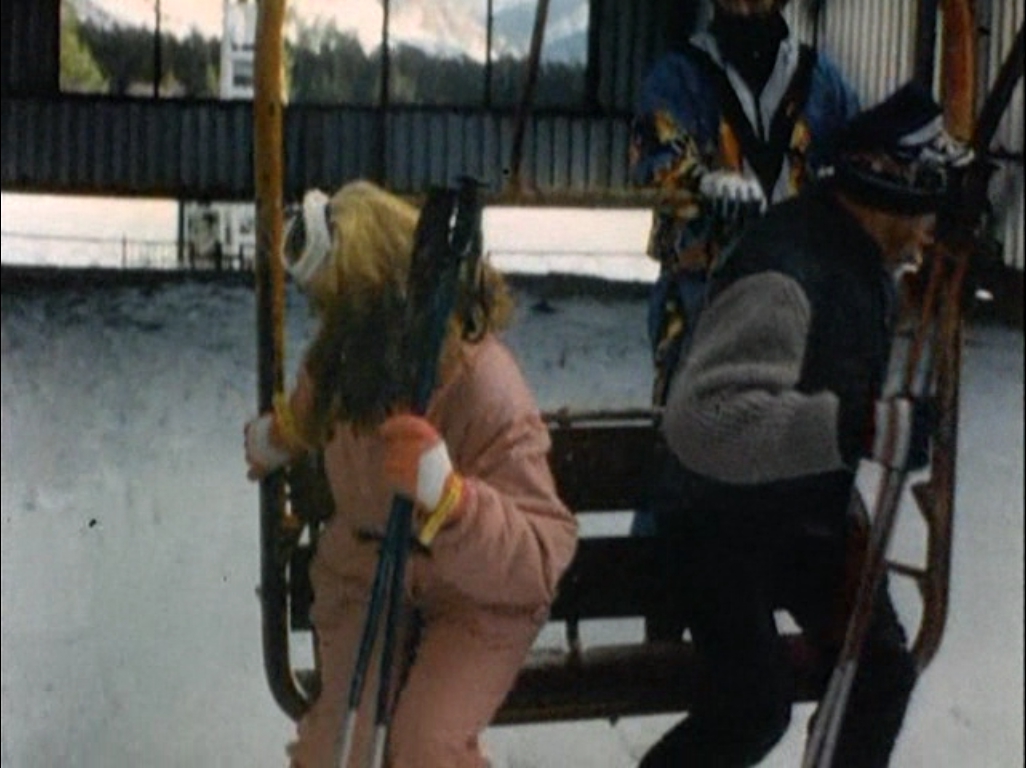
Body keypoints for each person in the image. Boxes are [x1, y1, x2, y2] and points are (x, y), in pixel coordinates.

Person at [638, 82, 973, 767]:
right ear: (885, 197)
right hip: (715, 527)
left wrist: (881, 429)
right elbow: (703, 422)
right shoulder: (785, 270)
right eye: (922, 214)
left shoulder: (858, 260)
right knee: (753, 703)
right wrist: (857, 429)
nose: (926, 235)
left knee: (880, 673)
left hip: (803, 521)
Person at [243, 180, 578, 768]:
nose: (328, 322)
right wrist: (280, 437)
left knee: (424, 747)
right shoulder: (348, 359)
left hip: (477, 598)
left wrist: (453, 501)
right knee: (342, 752)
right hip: (368, 579)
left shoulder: (481, 382)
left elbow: (540, 558)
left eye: (339, 301)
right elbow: (307, 412)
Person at [629, 0, 861, 407]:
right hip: (701, 303)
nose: (744, 6)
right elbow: (652, 161)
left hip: (800, 304)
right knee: (695, 440)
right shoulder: (681, 75)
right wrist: (701, 182)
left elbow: (859, 162)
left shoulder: (819, 81)